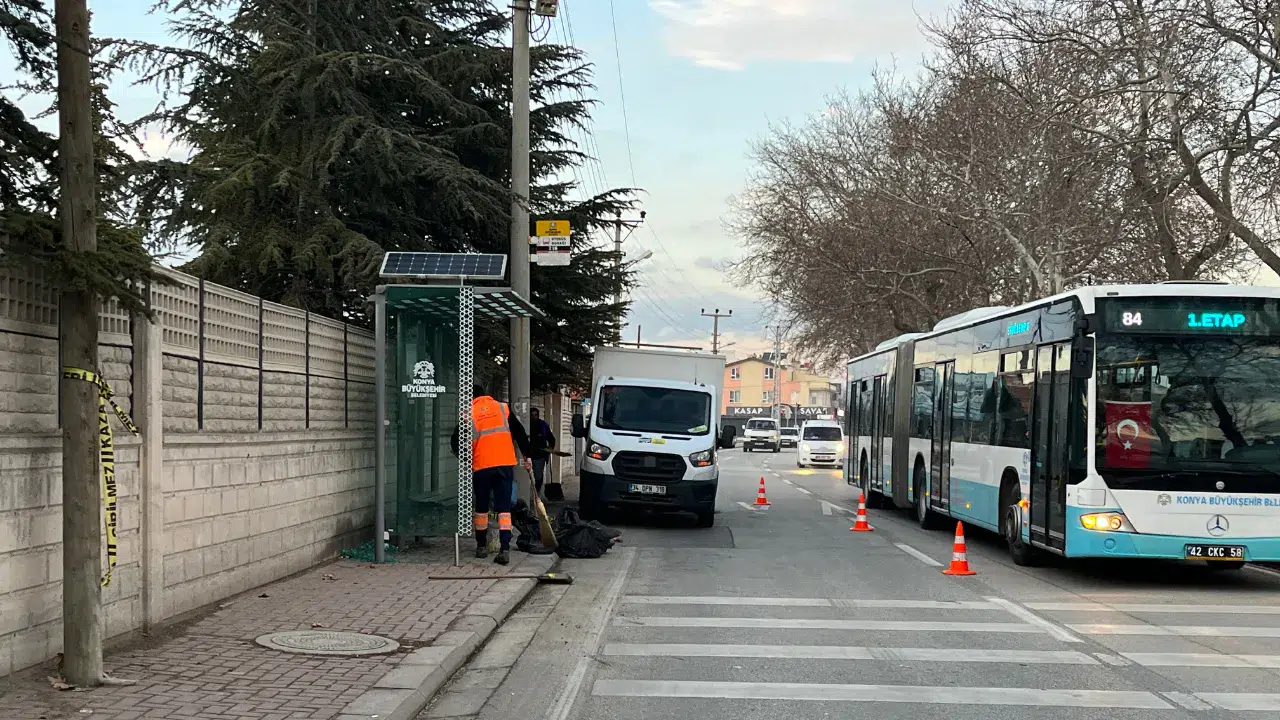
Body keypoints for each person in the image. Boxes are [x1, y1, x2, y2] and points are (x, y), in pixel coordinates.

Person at [450, 385, 533, 565]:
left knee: (481, 507)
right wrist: (528, 456)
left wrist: (465, 458)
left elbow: (455, 440)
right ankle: (504, 548)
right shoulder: (502, 408)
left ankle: (481, 546)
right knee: (504, 509)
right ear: (486, 395)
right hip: (504, 465)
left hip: (482, 467)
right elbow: (519, 432)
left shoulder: (468, 413)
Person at [528, 407, 556, 497]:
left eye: (536, 415)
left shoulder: (543, 425)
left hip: (539, 455)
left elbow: (551, 438)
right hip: (527, 454)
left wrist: (550, 447)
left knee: (538, 476)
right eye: (532, 415)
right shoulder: (526, 425)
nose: (534, 417)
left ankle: (537, 492)